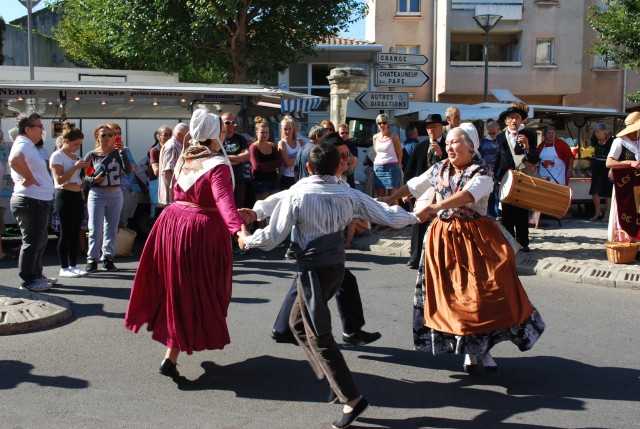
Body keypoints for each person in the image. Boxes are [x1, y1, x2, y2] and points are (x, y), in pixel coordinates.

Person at [239, 141, 429, 429]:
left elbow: (271, 238)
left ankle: (352, 398)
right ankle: (334, 381)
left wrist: (245, 239)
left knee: (320, 337)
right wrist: (417, 215)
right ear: (335, 165)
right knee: (298, 325)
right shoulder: (347, 193)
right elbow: (386, 215)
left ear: (309, 167)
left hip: (314, 272)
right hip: (334, 268)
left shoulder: (301, 193)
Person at [403, 123, 545, 374]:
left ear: (470, 146)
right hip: (443, 241)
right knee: (455, 300)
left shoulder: (483, 173)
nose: (449, 146)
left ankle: (482, 348)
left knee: (482, 298)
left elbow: (468, 196)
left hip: (477, 240)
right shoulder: (440, 168)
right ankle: (472, 351)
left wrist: (435, 207)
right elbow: (414, 185)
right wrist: (389, 199)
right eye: (447, 143)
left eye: (455, 142)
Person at [125, 109, 250, 380]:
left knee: (178, 291)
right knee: (197, 293)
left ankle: (171, 355)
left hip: (173, 223)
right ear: (214, 132)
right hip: (198, 230)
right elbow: (223, 202)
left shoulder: (187, 155)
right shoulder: (215, 163)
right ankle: (173, 351)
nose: (226, 129)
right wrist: (238, 230)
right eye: (221, 126)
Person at [249, 132, 383, 348]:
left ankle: (346, 330)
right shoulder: (315, 184)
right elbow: (285, 197)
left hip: (324, 251)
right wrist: (256, 216)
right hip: (314, 248)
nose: (346, 159)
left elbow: (374, 207)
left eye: (347, 154)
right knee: (314, 282)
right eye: (341, 155)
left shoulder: (339, 183)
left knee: (335, 280)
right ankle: (301, 332)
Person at [8, 113, 56, 291]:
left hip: (37, 200)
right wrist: (29, 178)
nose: (42, 129)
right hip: (30, 201)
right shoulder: (23, 143)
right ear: (28, 129)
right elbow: (13, 160)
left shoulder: (28, 144)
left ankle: (36, 275)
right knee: (32, 242)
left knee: (40, 241)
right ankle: (28, 281)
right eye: (40, 126)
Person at [83, 124, 132, 273]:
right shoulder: (91, 155)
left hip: (115, 193)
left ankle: (108, 258)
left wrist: (122, 151)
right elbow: (86, 176)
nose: (107, 138)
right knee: (95, 228)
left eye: (110, 135)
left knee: (111, 228)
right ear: (97, 136)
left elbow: (128, 169)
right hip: (97, 194)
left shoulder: (118, 153)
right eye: (103, 135)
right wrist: (93, 180)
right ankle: (92, 258)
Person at [403, 113, 448, 269]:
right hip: (422, 191)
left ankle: (437, 257)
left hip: (442, 192)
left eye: (434, 126)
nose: (431, 130)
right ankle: (415, 257)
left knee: (439, 223)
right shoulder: (420, 146)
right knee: (418, 222)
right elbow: (409, 169)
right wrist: (407, 191)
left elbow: (454, 164)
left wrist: (442, 153)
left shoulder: (448, 145)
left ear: (441, 127)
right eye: (428, 127)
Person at [494, 105, 539, 252]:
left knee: (521, 212)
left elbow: (534, 159)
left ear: (521, 120)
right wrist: (496, 177)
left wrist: (526, 146)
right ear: (506, 121)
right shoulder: (500, 136)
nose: (514, 120)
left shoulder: (529, 135)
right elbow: (498, 158)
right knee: (507, 213)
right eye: (511, 118)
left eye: (517, 117)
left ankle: (523, 243)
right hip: (506, 179)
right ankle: (509, 242)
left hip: (522, 178)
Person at [50, 122, 90, 278]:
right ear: (66, 141)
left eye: (79, 144)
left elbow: (80, 180)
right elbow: (58, 179)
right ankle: (64, 266)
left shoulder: (76, 157)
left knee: (76, 232)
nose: (77, 147)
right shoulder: (57, 155)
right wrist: (75, 167)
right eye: (75, 144)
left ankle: (73, 264)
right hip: (63, 196)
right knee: (66, 233)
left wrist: (85, 171)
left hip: (76, 195)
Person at [605, 111, 640, 242]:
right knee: (625, 211)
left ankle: (638, 244)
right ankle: (626, 242)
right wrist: (629, 162)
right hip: (625, 187)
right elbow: (609, 162)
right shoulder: (619, 142)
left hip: (638, 186)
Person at [107, 123, 139, 228]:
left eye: (119, 133)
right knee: (109, 220)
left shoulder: (125, 149)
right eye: (114, 134)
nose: (116, 136)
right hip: (109, 188)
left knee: (123, 220)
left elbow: (133, 168)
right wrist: (124, 169)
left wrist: (118, 169)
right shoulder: (104, 150)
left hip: (125, 187)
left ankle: (122, 244)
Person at [249, 117, 281, 223]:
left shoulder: (272, 145)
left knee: (275, 209)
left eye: (266, 132)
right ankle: (261, 234)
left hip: (273, 180)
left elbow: (279, 162)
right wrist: (272, 166)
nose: (265, 135)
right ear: (256, 132)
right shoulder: (253, 147)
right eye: (262, 132)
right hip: (260, 182)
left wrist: (266, 165)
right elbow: (256, 166)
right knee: (261, 211)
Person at [221, 113, 250, 209]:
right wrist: (239, 159)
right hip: (222, 181)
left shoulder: (240, 138)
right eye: (227, 122)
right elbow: (216, 158)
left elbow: (246, 156)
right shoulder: (218, 139)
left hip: (238, 181)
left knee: (238, 210)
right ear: (222, 124)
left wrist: (225, 158)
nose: (231, 125)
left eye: (233, 122)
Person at [158, 122, 189, 212]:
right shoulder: (172, 146)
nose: (190, 137)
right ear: (179, 135)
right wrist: (177, 192)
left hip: (174, 198)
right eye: (188, 135)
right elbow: (167, 172)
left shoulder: (178, 145)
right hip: (172, 199)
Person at [372, 113, 403, 204]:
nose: (382, 125)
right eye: (379, 123)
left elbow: (400, 154)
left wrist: (397, 166)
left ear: (387, 124)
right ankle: (383, 217)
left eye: (384, 122)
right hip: (378, 168)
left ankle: (396, 217)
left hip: (392, 168)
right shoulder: (375, 137)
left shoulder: (393, 136)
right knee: (381, 198)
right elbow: (376, 152)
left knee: (393, 196)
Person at [589, 123, 613, 221]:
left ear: (605, 132)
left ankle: (607, 214)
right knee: (594, 191)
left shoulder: (612, 142)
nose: (596, 133)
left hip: (607, 167)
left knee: (608, 192)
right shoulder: (595, 141)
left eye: (598, 131)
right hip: (597, 167)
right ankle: (598, 212)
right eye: (595, 131)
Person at [479, 120, 502, 219]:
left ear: (498, 130)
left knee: (498, 192)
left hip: (499, 170)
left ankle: (498, 213)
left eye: (494, 133)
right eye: (490, 133)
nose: (492, 135)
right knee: (489, 192)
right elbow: (480, 155)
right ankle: (490, 213)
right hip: (487, 170)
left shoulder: (502, 139)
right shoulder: (484, 140)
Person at [149, 126, 172, 218]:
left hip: (173, 187)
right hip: (160, 186)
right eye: (165, 135)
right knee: (160, 215)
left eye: (170, 135)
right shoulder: (154, 150)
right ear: (158, 137)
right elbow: (156, 170)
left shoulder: (176, 148)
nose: (169, 137)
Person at [278, 115, 305, 191]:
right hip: (287, 177)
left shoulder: (300, 141)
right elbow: (287, 162)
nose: (287, 131)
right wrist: (300, 158)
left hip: (300, 176)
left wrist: (293, 159)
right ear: (282, 130)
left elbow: (306, 158)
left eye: (289, 128)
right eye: (285, 129)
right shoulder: (282, 143)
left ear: (293, 128)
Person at [337, 123, 359, 188]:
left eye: (346, 133)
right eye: (342, 133)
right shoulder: (335, 145)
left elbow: (354, 164)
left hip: (349, 178)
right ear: (338, 133)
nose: (345, 135)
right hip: (337, 179)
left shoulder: (352, 146)